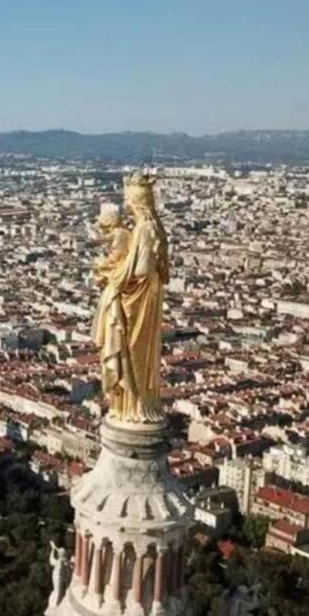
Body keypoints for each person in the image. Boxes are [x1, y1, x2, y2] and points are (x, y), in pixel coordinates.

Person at [93, 171, 170, 426]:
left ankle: (134, 405)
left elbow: (141, 271)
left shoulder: (144, 230)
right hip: (142, 298)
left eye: (128, 200)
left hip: (139, 301)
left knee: (132, 352)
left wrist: (114, 277)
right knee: (132, 354)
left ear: (136, 203)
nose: (125, 205)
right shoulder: (147, 228)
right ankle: (127, 403)